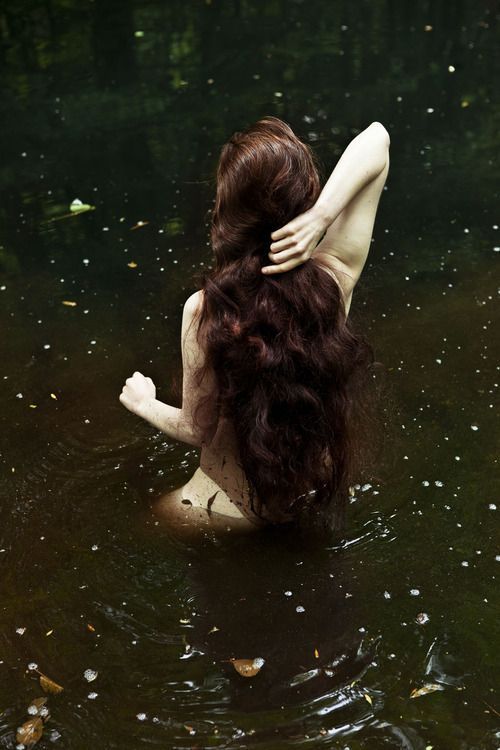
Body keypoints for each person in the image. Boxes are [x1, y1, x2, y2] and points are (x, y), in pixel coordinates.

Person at [119, 117, 390, 535]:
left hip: (223, 511)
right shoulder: (333, 284)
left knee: (150, 521)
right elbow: (377, 140)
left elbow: (197, 428)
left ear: (228, 216)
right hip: (308, 494)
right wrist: (321, 217)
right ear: (304, 200)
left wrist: (144, 403)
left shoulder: (204, 311)